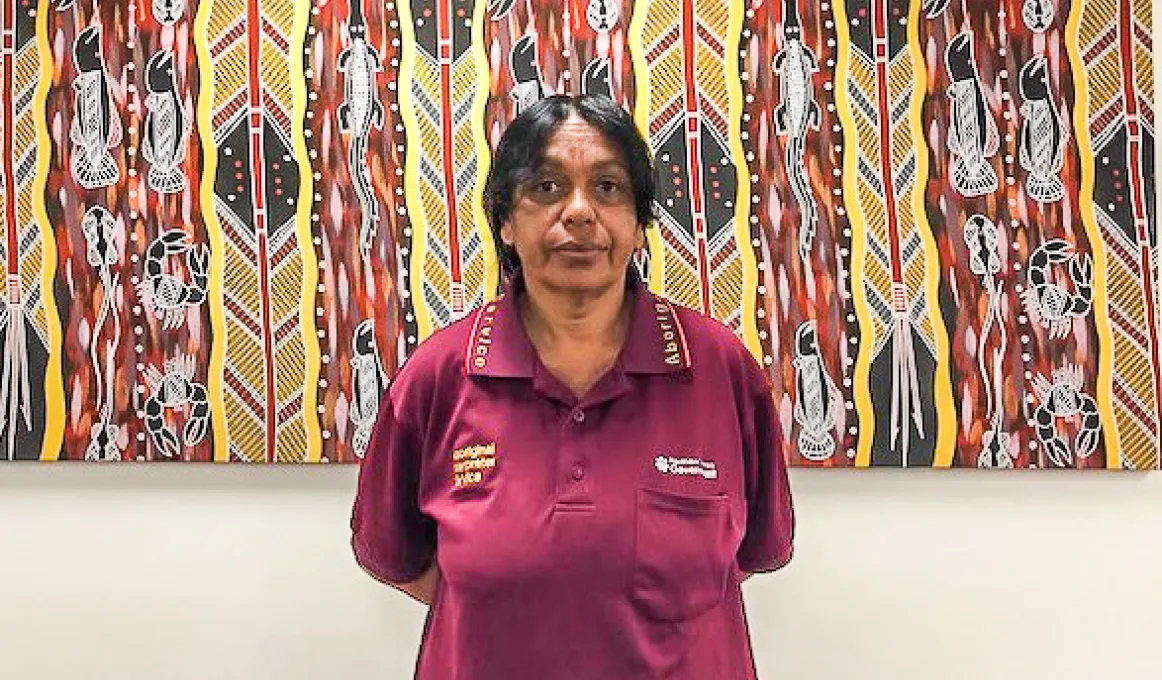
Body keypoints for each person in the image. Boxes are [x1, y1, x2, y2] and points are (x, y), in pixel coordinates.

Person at [351, 94, 794, 679]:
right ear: (507, 221)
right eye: (546, 188)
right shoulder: (438, 377)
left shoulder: (720, 369)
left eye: (608, 188)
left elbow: (751, 552)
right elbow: (397, 557)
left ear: (640, 226)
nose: (580, 212)